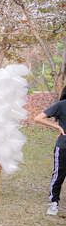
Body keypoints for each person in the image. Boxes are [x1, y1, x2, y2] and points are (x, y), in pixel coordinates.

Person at [34, 86, 66, 215]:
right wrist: (58, 127)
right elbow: (38, 118)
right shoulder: (61, 105)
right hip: (63, 147)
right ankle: (54, 203)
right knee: (59, 175)